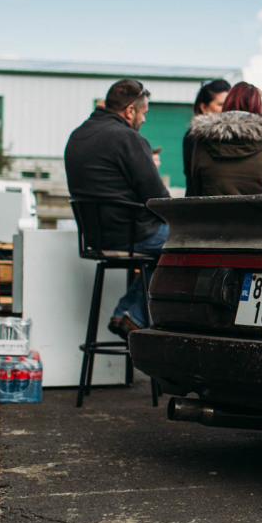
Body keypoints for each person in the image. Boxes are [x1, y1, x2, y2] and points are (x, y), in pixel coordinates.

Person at [64, 79, 170, 338]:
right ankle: (134, 316)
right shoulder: (128, 138)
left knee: (161, 254)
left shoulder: (77, 135)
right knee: (187, 244)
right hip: (131, 234)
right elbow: (157, 197)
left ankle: (126, 313)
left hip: (95, 236)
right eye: (143, 112)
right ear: (130, 110)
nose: (144, 119)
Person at [184, 81, 262, 196]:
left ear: (227, 104)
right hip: (258, 208)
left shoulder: (201, 143)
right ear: (258, 107)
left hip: (212, 208)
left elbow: (196, 188)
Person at [182, 79, 231, 185]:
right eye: (221, 104)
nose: (226, 109)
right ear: (204, 107)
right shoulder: (195, 137)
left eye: (229, 104)